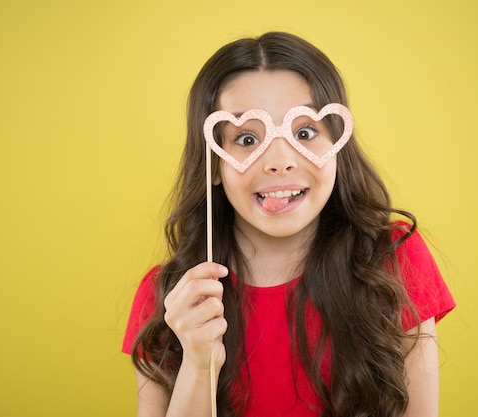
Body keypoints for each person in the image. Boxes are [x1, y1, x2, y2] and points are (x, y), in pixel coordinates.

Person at [122, 32, 455, 417]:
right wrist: (198, 365)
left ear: (337, 145)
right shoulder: (170, 298)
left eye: (304, 132)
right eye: (247, 138)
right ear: (213, 163)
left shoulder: (394, 260)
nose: (279, 161)